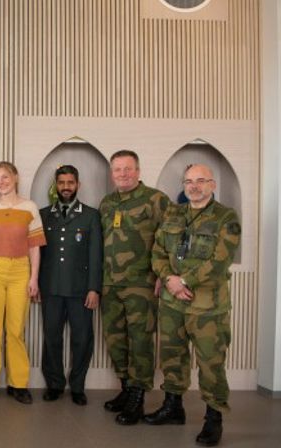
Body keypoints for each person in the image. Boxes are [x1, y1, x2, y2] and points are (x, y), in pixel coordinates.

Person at [146, 164, 240, 447]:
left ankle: (214, 419)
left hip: (207, 308)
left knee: (211, 363)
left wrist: (182, 280)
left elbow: (220, 261)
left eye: (200, 181)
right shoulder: (174, 213)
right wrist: (168, 278)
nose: (194, 186)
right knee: (172, 356)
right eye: (189, 181)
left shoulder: (226, 217)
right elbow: (158, 251)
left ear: (212, 184)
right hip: (173, 303)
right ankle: (173, 407)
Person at [99, 150, 170, 425]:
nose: (123, 174)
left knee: (140, 341)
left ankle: (138, 397)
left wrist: (165, 274)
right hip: (110, 284)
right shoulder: (107, 203)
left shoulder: (156, 199)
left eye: (128, 169)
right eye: (117, 170)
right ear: (112, 173)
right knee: (115, 339)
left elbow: (169, 240)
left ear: (138, 171)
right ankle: (126, 389)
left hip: (142, 283)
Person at [0, 161, 46, 404]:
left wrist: (34, 278)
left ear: (15, 177)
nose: (1, 182)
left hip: (20, 271)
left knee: (16, 331)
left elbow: (35, 247)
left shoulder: (30, 207)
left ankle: (18, 384)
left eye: (5, 177)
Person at [38, 165, 102, 406]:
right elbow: (37, 254)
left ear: (78, 185)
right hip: (51, 288)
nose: (66, 187)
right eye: (62, 182)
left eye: (70, 182)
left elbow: (95, 255)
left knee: (82, 338)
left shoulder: (90, 215)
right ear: (56, 185)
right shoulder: (43, 215)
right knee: (52, 337)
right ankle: (54, 384)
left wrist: (94, 288)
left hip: (80, 290)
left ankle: (77, 386)